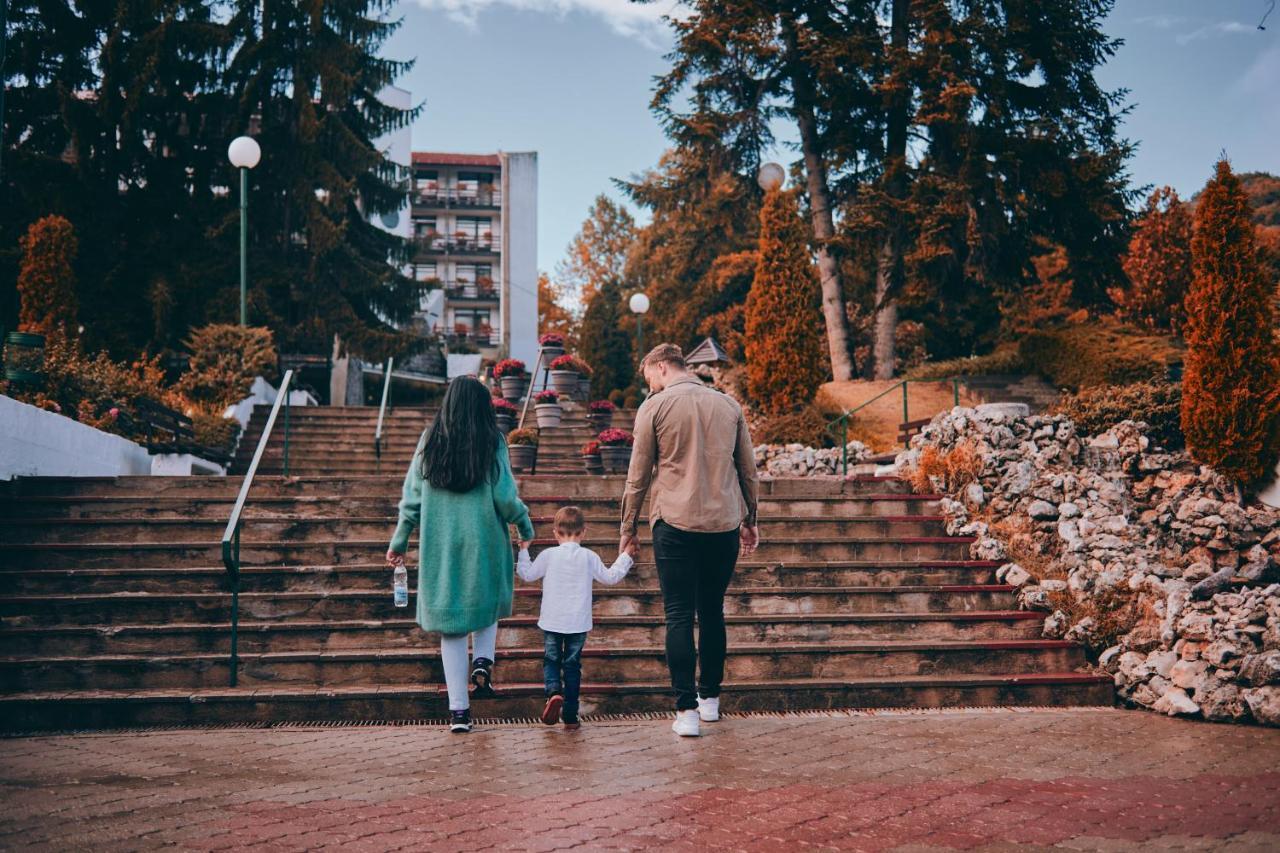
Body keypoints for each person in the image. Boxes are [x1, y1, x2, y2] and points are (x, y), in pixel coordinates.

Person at [619, 343, 759, 737]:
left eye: (649, 378)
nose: (650, 386)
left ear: (662, 367)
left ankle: (686, 712)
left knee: (679, 613)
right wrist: (751, 517)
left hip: (674, 523)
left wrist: (627, 528)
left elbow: (638, 475)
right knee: (712, 611)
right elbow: (748, 470)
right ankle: (710, 700)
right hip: (723, 524)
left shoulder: (655, 407)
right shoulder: (728, 406)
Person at [386, 376, 535, 734]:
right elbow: (504, 496)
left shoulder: (430, 441)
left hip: (441, 545)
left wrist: (400, 540)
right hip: (485, 540)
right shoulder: (493, 441)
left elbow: (412, 499)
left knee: (451, 630)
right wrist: (524, 526)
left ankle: (459, 714)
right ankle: (483, 660)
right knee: (488, 603)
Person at [516, 506, 637, 730]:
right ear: (583, 532)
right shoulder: (589, 556)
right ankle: (570, 715)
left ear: (555, 533)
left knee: (551, 660)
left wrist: (524, 550)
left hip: (552, 620)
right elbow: (610, 577)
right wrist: (625, 556)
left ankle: (553, 692)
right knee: (572, 666)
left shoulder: (548, 555)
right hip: (578, 623)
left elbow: (527, 574)